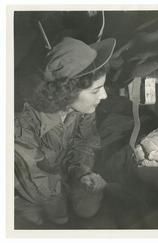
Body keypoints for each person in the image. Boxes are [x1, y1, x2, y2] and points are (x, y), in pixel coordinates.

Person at [14, 36, 119, 228]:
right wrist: (68, 204)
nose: (104, 96)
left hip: (60, 182)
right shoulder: (21, 120)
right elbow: (35, 180)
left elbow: (85, 142)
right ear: (67, 92)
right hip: (26, 195)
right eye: (96, 91)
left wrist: (81, 172)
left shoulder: (82, 109)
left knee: (89, 210)